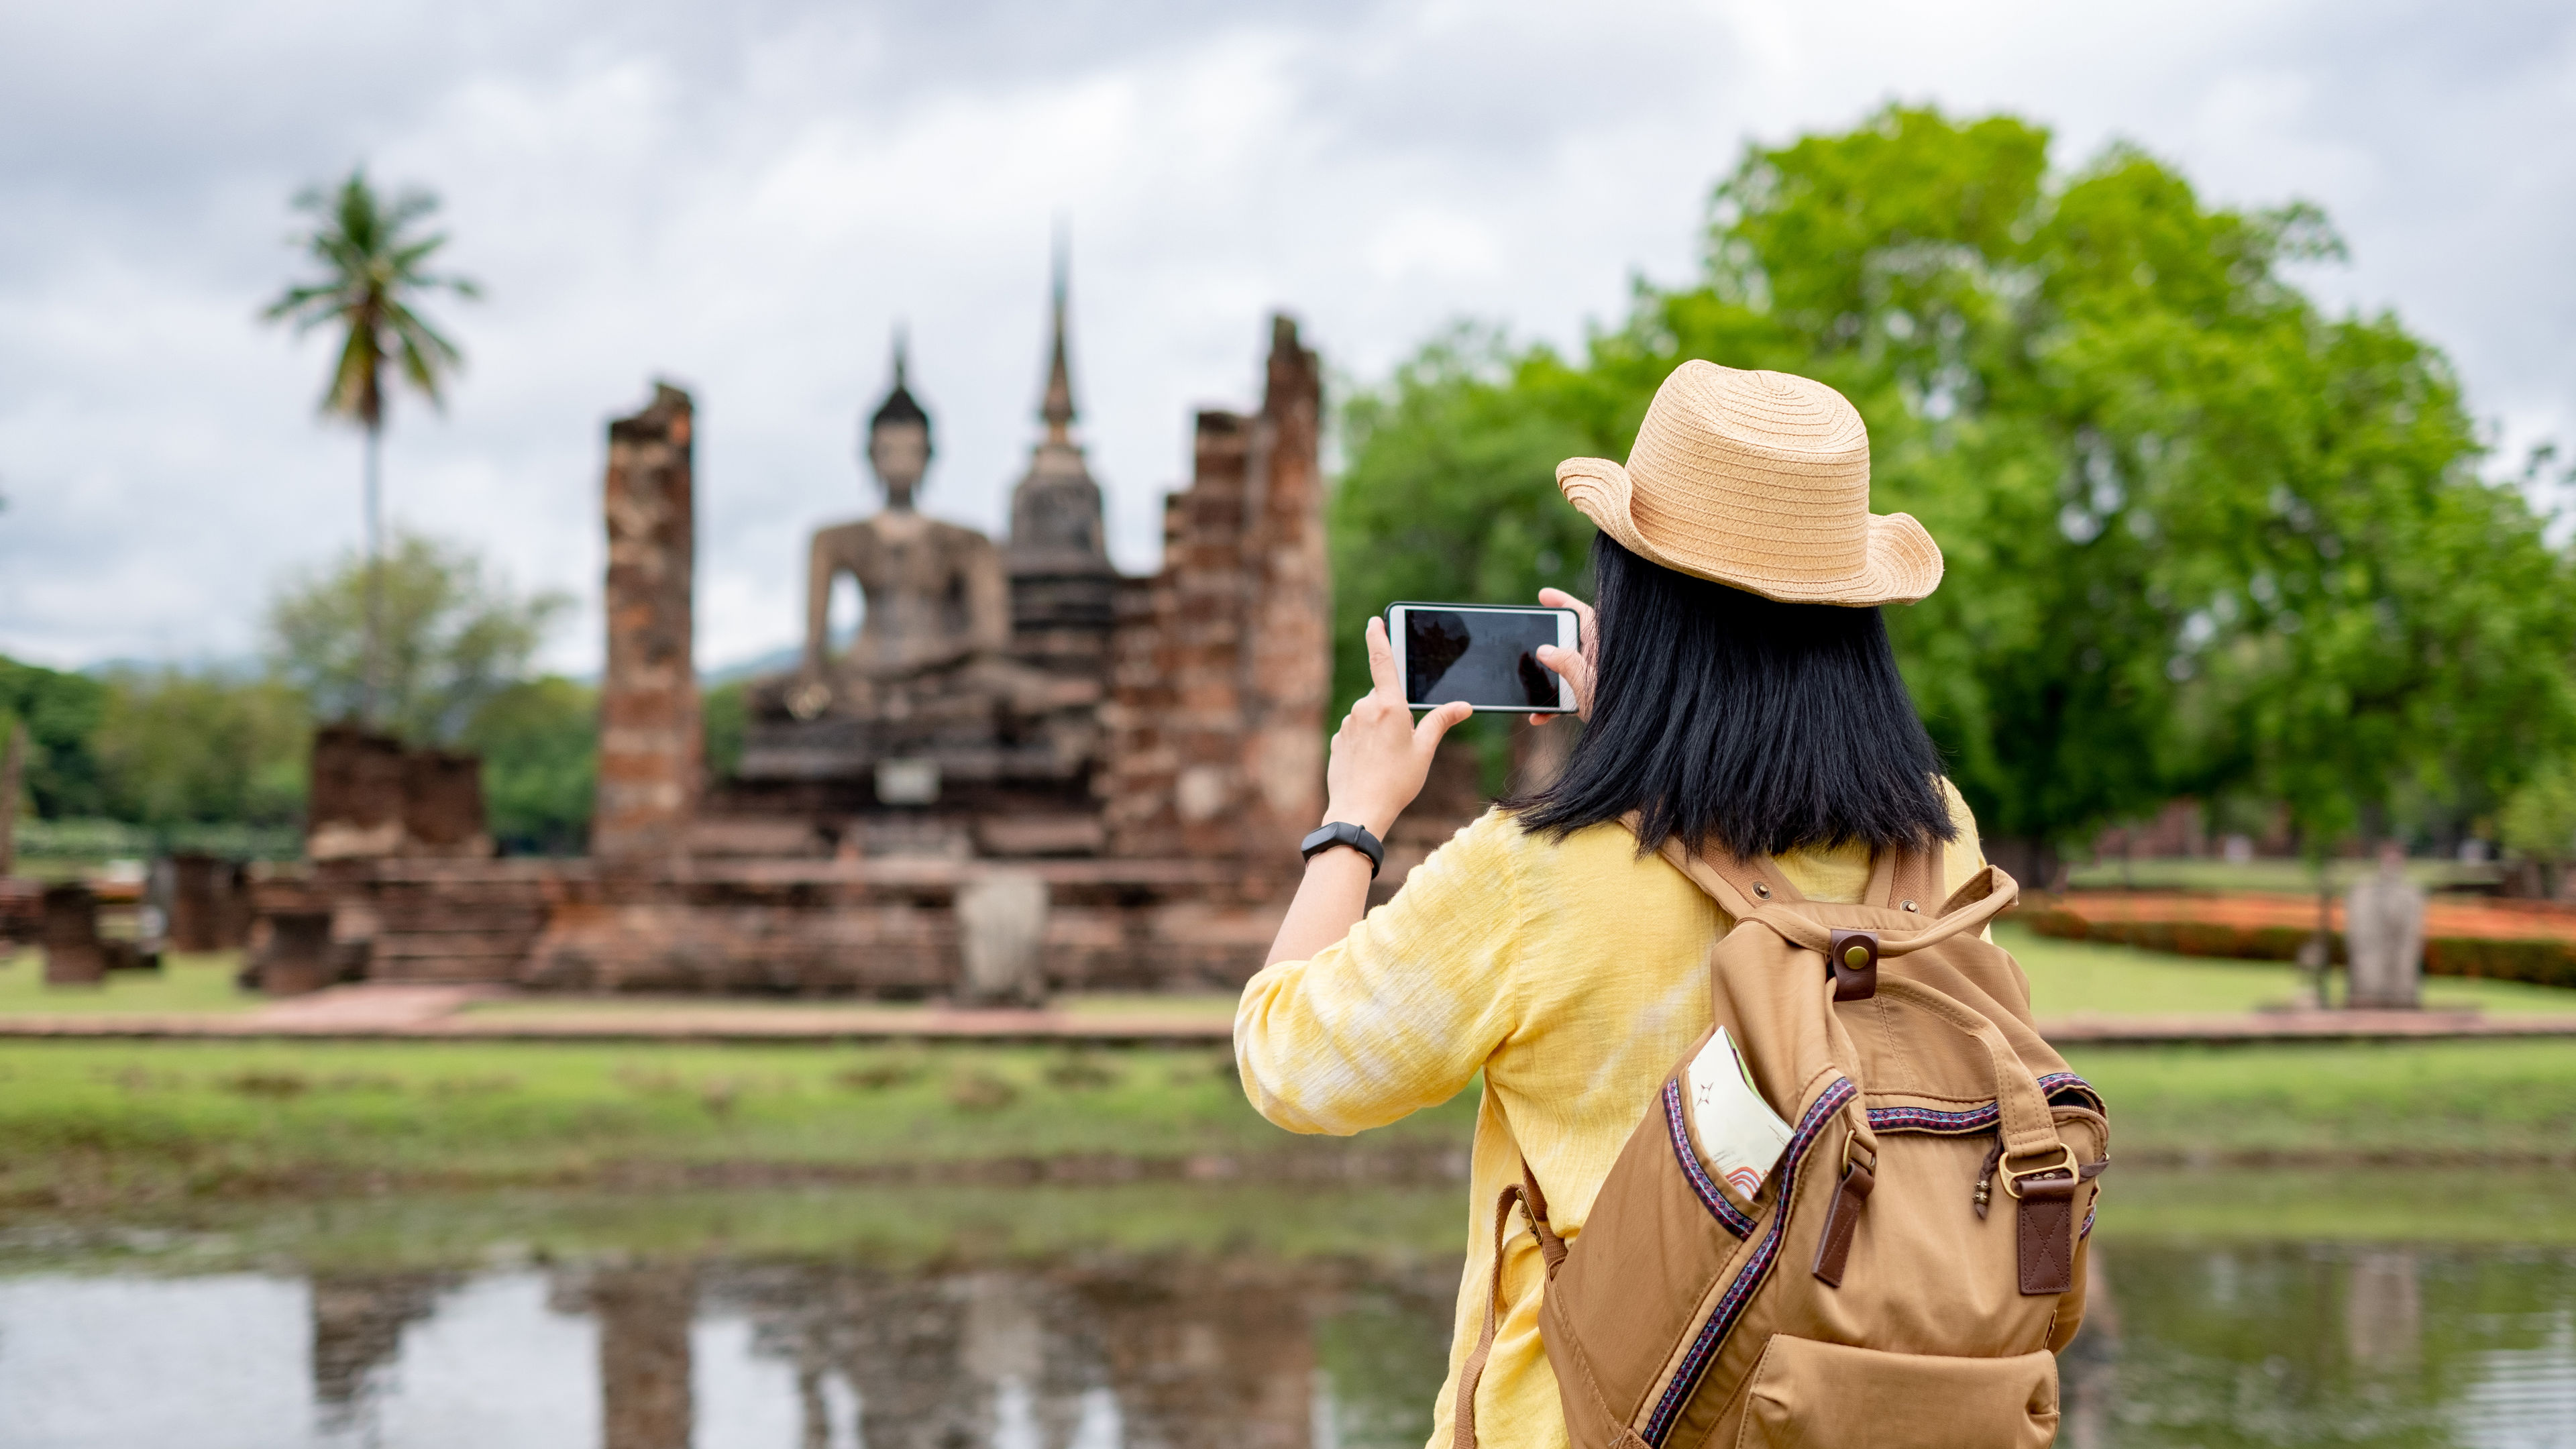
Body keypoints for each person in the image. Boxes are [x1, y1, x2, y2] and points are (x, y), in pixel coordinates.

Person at [1234, 361, 1988, 1446]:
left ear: (1634, 596)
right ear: (1854, 615)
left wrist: (1354, 817)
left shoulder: (1539, 874)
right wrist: (1645, 735)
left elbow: (1286, 1060)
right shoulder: (1939, 837)